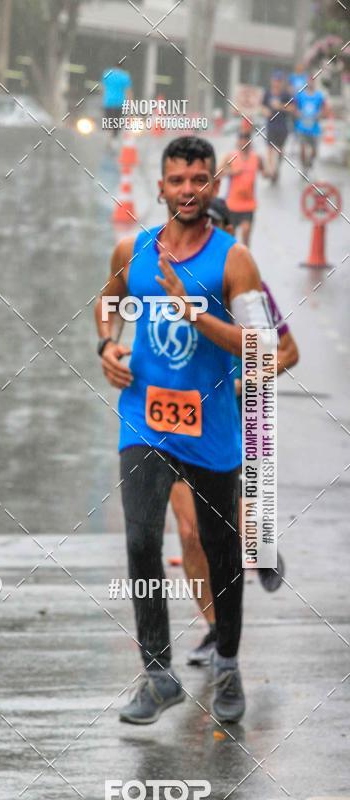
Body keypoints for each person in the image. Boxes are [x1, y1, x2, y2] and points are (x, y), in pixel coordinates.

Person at [95, 136, 273, 725]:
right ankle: (157, 674)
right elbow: (108, 300)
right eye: (178, 181)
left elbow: (260, 347)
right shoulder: (133, 250)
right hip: (143, 420)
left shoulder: (233, 261)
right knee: (142, 540)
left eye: (199, 180)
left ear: (213, 186)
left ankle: (226, 663)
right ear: (161, 187)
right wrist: (107, 344)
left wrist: (194, 309)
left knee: (221, 552)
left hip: (210, 428)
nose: (188, 191)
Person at [169, 198, 300, 666]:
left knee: (226, 522)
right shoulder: (166, 284)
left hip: (228, 424)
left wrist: (249, 379)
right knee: (188, 535)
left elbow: (287, 351)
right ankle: (213, 629)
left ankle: (257, 547)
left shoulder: (251, 288)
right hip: (175, 423)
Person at [219, 129, 265, 247]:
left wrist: (270, 167)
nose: (244, 143)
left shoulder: (256, 158)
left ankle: (245, 261)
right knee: (231, 239)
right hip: (232, 205)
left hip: (248, 204)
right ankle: (231, 262)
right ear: (238, 142)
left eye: (246, 140)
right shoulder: (230, 157)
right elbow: (218, 173)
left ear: (250, 142)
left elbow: (266, 173)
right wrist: (232, 171)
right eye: (241, 140)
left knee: (246, 233)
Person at [261, 71, 294, 183]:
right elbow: (262, 106)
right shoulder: (267, 93)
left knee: (280, 150)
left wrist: (279, 106)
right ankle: (271, 171)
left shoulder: (285, 94)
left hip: (283, 126)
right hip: (271, 125)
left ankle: (277, 166)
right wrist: (264, 111)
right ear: (272, 81)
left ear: (282, 82)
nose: (276, 83)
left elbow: (292, 108)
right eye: (275, 80)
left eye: (279, 81)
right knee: (269, 148)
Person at [294, 75, 327, 171]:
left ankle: (310, 161)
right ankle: (304, 166)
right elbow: (295, 108)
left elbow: (325, 108)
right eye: (309, 81)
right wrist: (297, 113)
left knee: (314, 151)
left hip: (314, 127)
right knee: (303, 148)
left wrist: (321, 114)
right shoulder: (301, 95)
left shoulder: (319, 96)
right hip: (302, 126)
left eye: (312, 81)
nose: (310, 83)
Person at [101, 61, 133, 139]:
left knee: (108, 121)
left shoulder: (107, 74)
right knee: (117, 122)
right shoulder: (125, 76)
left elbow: (103, 88)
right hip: (119, 103)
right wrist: (130, 105)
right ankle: (114, 138)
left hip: (108, 102)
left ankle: (109, 136)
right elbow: (128, 91)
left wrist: (102, 99)